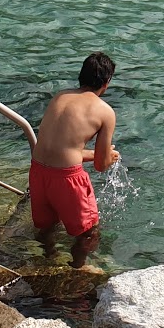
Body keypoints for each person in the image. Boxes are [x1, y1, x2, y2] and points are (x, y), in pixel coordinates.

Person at [31, 52, 118, 267]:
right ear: (106, 83)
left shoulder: (60, 96)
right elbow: (100, 165)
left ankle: (47, 261)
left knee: (47, 227)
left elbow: (65, 149)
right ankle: (78, 269)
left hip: (38, 171)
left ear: (81, 76)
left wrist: (95, 155)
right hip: (67, 180)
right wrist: (111, 156)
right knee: (89, 232)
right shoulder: (105, 112)